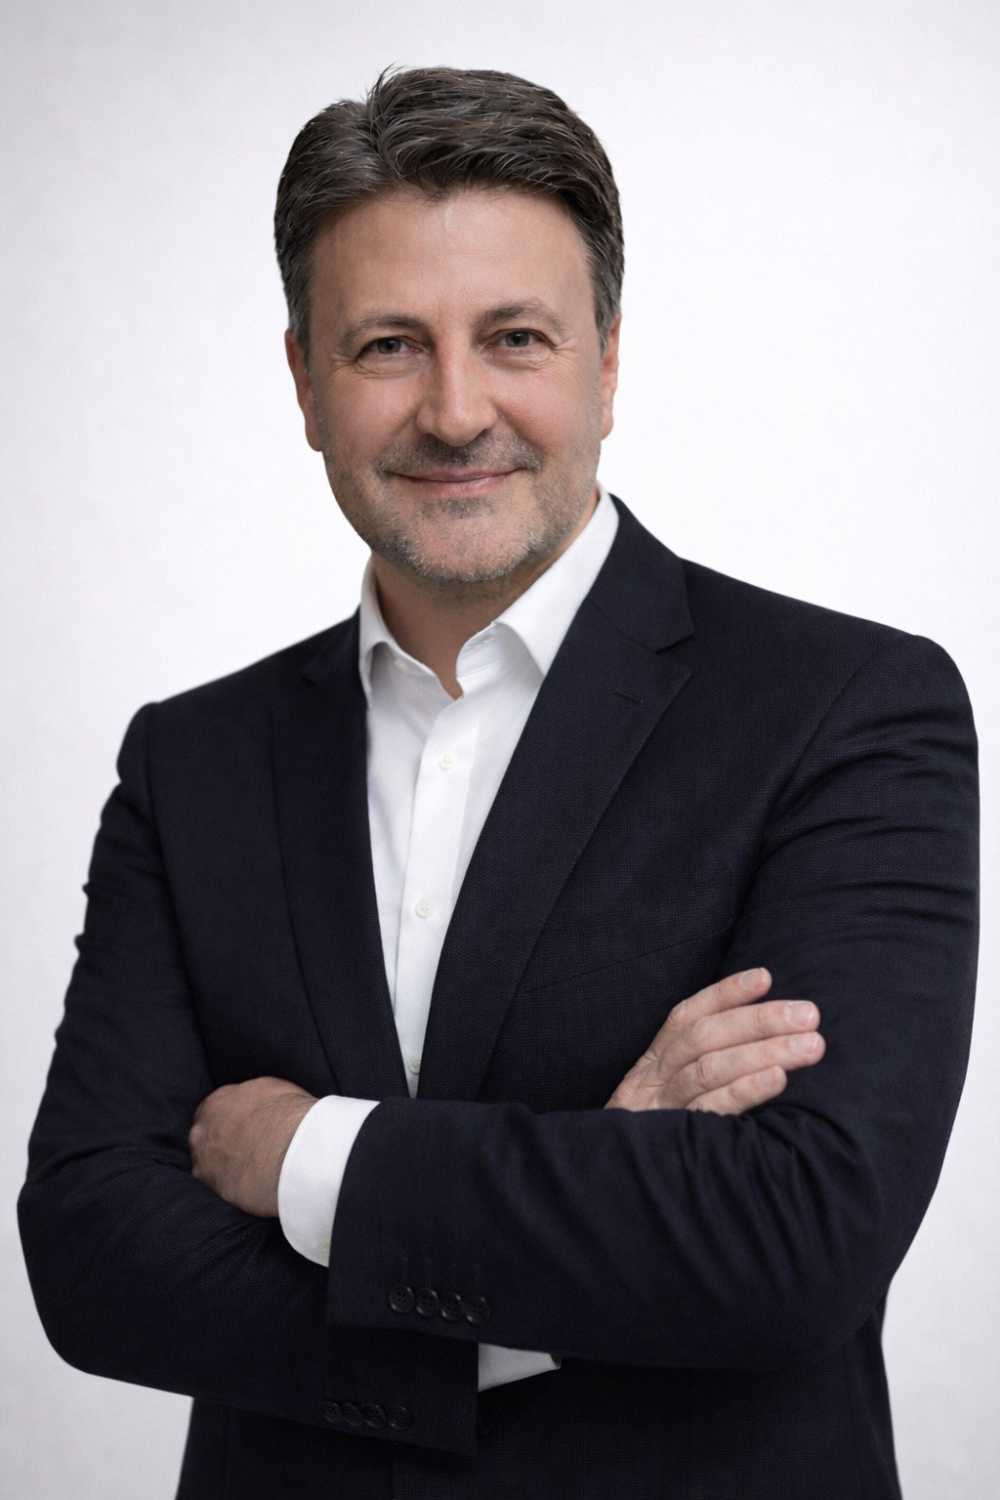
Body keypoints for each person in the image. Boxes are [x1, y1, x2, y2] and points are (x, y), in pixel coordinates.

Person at [18, 64, 979, 1500]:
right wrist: (596, 1205)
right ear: (304, 382)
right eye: (388, 346)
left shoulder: (849, 709)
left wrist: (309, 1158)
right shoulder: (192, 759)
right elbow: (93, 1254)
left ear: (608, 362)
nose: (456, 410)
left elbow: (797, 1242)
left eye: (515, 337)